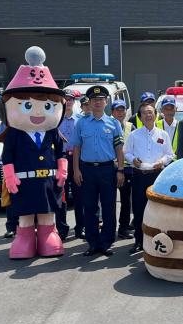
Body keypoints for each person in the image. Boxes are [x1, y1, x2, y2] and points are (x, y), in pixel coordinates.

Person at [0, 47, 68, 259]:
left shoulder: (52, 132)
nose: (38, 112)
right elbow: (7, 155)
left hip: (48, 181)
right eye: (27, 105)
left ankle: (48, 235)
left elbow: (62, 152)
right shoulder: (15, 134)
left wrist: (62, 169)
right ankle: (25, 238)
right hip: (23, 182)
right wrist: (9, 176)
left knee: (47, 213)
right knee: (26, 214)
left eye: (47, 106)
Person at [71, 85, 125, 257]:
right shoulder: (81, 123)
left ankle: (106, 242)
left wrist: (121, 170)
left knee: (109, 207)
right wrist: (76, 170)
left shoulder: (113, 123)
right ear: (90, 102)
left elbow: (119, 149)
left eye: (101, 99)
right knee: (90, 207)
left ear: (106, 102)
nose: (97, 102)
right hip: (87, 170)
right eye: (94, 100)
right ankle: (93, 243)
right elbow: (77, 149)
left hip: (108, 170)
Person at [124, 104, 174, 253]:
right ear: (140, 117)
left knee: (158, 210)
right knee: (139, 210)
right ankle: (139, 241)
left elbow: (170, 154)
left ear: (156, 115)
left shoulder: (163, 134)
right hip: (140, 176)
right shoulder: (134, 135)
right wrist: (133, 160)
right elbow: (126, 152)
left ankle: (158, 240)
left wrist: (162, 162)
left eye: (150, 112)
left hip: (157, 176)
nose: (148, 115)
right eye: (144, 113)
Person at [59, 89, 84, 239]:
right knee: (61, 196)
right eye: (65, 99)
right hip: (60, 160)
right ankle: (62, 229)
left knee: (79, 195)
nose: (68, 102)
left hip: (76, 160)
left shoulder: (80, 120)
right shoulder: (55, 119)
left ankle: (80, 226)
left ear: (74, 102)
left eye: (70, 99)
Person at [112, 99, 135, 239]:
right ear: (112, 112)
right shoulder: (107, 125)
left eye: (122, 109)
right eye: (117, 110)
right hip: (110, 168)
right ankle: (108, 228)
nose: (120, 112)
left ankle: (123, 228)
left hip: (127, 169)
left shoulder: (130, 127)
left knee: (126, 201)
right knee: (108, 201)